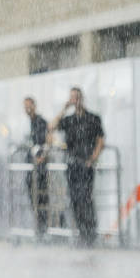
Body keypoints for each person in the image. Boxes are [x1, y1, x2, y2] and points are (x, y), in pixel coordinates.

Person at [49, 88, 105, 246]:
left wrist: (93, 158)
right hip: (72, 163)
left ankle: (90, 232)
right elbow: (51, 127)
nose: (75, 100)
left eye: (77, 97)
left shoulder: (93, 118)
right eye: (72, 98)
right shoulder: (69, 120)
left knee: (86, 198)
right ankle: (82, 232)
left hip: (86, 163)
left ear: (82, 98)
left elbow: (101, 139)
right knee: (74, 199)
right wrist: (64, 108)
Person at [23, 97, 50, 237]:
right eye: (25, 106)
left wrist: (41, 156)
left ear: (34, 105)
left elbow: (45, 141)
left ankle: (43, 227)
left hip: (39, 169)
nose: (27, 109)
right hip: (32, 168)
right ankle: (40, 227)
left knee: (41, 198)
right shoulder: (30, 123)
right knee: (34, 197)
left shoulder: (40, 122)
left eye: (29, 105)